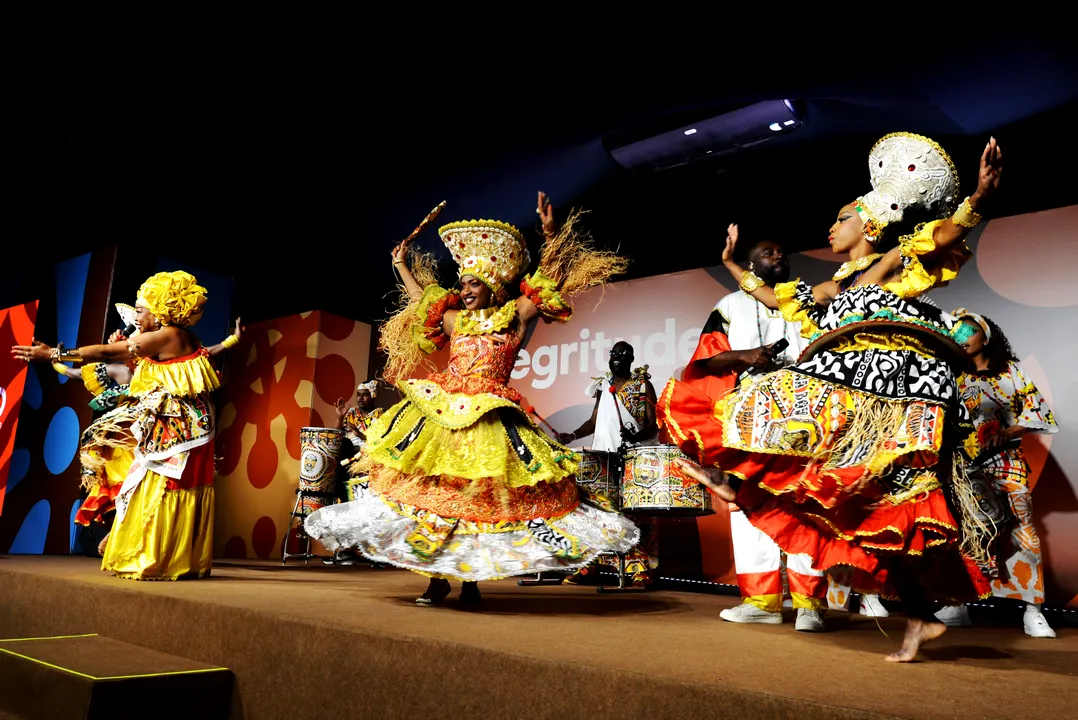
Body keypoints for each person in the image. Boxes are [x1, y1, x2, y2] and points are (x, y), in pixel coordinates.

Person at [659, 132, 1004, 661]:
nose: (831, 227)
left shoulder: (887, 263)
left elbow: (941, 237)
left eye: (840, 219)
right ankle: (919, 617)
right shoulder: (832, 285)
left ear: (868, 225)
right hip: (845, 389)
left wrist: (977, 200)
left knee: (872, 499)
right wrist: (731, 264)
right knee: (854, 514)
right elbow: (773, 295)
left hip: (885, 394)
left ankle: (736, 482)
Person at [304, 192, 639, 605]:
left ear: (492, 286)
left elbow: (545, 286)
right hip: (443, 418)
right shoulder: (454, 320)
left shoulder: (513, 318)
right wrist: (402, 266)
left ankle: (469, 581)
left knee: (475, 502)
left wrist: (550, 236)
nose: (463, 290)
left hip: (489, 422)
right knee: (434, 497)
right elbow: (419, 300)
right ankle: (435, 578)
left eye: (472, 283)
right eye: (461, 283)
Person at [13, 270, 221, 580]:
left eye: (140, 309)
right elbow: (144, 366)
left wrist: (54, 353)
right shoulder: (175, 338)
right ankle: (151, 548)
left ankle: (153, 556)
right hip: (185, 425)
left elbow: (110, 352)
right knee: (142, 479)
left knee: (157, 484)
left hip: (181, 431)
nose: (136, 315)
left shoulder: (169, 334)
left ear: (161, 308)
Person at [680, 236, 840, 630]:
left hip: (807, 410)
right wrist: (747, 356)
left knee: (806, 501)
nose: (779, 256)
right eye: (768, 253)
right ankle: (762, 603)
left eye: (781, 252)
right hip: (750, 411)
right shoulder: (729, 306)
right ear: (750, 268)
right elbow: (707, 357)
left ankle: (809, 605)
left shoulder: (803, 299)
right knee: (748, 504)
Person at [53, 314, 242, 556]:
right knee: (133, 478)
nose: (138, 324)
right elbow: (101, 359)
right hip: (142, 421)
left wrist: (231, 341)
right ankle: (125, 535)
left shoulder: (166, 341)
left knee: (152, 480)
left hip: (166, 422)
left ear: (157, 317)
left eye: (141, 313)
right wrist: (59, 361)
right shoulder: (128, 359)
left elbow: (204, 352)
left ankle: (142, 542)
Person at [933, 310, 1059, 637]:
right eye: (957, 331)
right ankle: (958, 604)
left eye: (970, 331)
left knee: (1021, 528)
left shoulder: (1009, 372)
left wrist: (1009, 429)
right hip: (962, 468)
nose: (962, 337)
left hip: (1004, 461)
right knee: (963, 530)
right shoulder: (948, 377)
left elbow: (1038, 412)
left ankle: (1033, 611)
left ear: (985, 337)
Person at [556, 341, 659, 587]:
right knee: (596, 512)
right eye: (613, 353)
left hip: (632, 458)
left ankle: (639, 571)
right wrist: (572, 435)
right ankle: (590, 567)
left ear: (632, 358)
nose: (617, 357)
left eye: (623, 354)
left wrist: (636, 437)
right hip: (602, 457)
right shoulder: (603, 386)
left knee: (631, 515)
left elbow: (654, 424)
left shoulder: (642, 384)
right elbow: (593, 421)